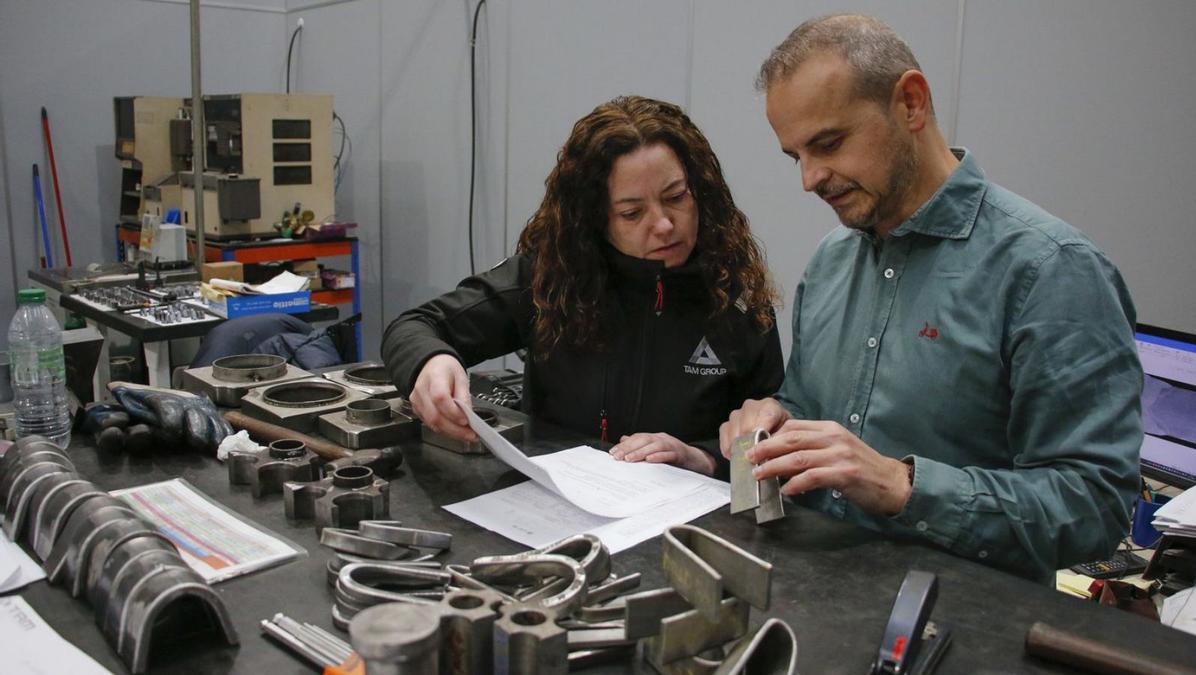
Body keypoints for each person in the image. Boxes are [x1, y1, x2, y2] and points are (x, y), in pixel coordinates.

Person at [720, 15, 1142, 581]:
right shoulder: (830, 261)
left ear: (911, 103)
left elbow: (1095, 505)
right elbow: (810, 407)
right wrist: (776, 424)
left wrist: (903, 486)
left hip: (962, 628)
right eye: (796, 156)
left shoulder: (1050, 271)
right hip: (815, 595)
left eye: (829, 143)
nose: (810, 179)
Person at [384, 95, 783, 476]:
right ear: (595, 221)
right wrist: (430, 362)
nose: (663, 224)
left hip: (684, 525)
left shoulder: (736, 301)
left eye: (676, 196)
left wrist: (706, 458)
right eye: (632, 213)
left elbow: (767, 441)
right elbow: (414, 327)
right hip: (557, 507)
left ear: (701, 192)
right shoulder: (552, 279)